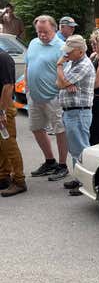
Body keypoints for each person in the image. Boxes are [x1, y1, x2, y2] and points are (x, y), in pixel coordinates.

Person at [24, 15, 69, 180]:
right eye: (39, 32)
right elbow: (29, 65)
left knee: (60, 131)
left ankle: (63, 165)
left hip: (54, 96)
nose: (42, 35)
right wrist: (28, 87)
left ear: (54, 30)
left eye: (46, 32)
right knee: (36, 128)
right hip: (34, 96)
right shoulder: (33, 43)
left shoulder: (62, 47)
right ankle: (50, 161)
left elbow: (67, 73)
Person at [55, 35, 96, 196]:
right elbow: (59, 83)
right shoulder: (72, 62)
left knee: (80, 149)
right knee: (74, 148)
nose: (65, 55)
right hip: (71, 111)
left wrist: (59, 67)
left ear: (79, 51)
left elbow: (62, 82)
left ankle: (85, 183)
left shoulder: (84, 64)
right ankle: (79, 179)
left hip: (79, 111)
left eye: (69, 52)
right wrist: (65, 82)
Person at [0, 47, 26, 197]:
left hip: (3, 108)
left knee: (9, 145)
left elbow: (8, 86)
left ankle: (19, 181)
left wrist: (2, 111)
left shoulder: (3, 58)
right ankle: (3, 177)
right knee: (2, 145)